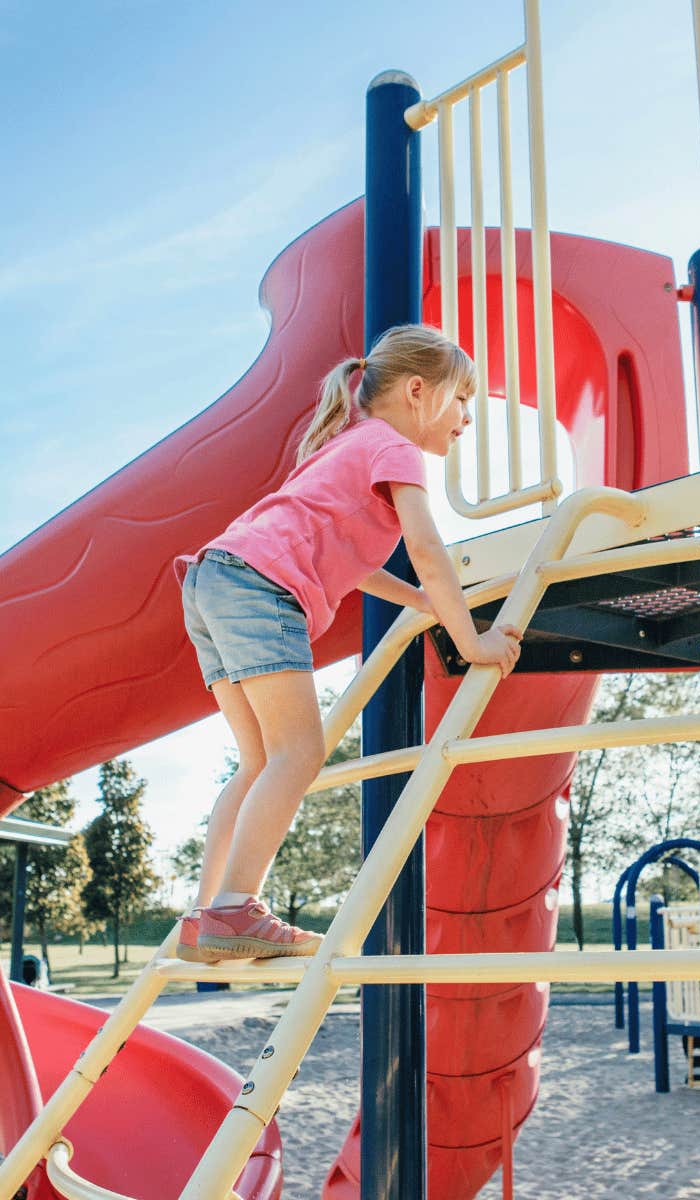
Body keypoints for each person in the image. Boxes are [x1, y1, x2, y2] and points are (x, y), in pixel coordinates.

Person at [174, 324, 522, 962]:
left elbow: (354, 561)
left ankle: (208, 913)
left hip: (213, 578)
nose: (467, 418)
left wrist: (420, 602)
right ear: (418, 392)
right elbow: (427, 548)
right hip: (259, 586)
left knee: (259, 763)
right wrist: (470, 637)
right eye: (462, 400)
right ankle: (234, 909)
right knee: (299, 750)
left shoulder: (349, 444)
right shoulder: (395, 449)